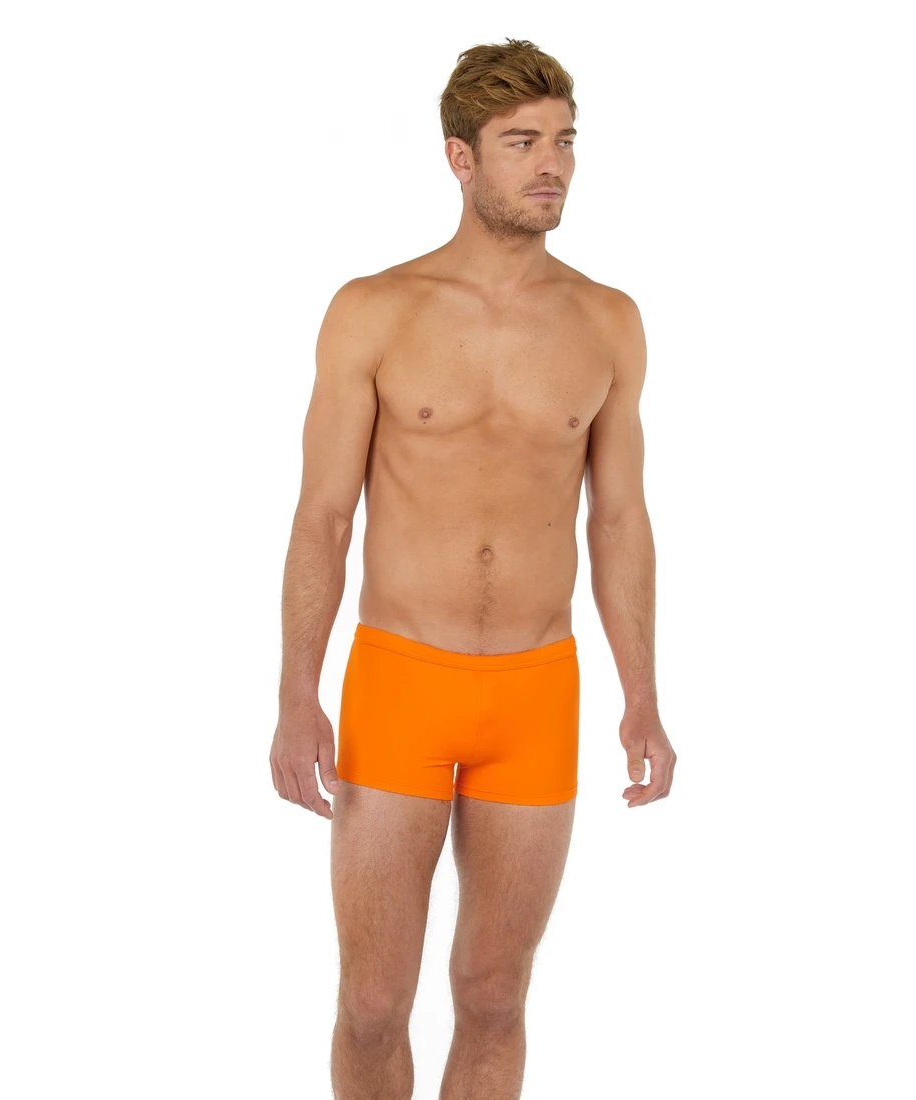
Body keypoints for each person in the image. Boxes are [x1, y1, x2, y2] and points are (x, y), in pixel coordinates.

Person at [269, 37, 676, 1100]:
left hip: (535, 689)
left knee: (495, 995)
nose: (553, 166)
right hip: (401, 679)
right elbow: (323, 516)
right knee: (372, 1003)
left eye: (565, 141)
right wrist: (296, 694)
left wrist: (641, 695)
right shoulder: (374, 309)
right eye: (522, 143)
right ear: (460, 158)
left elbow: (619, 519)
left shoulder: (608, 321)